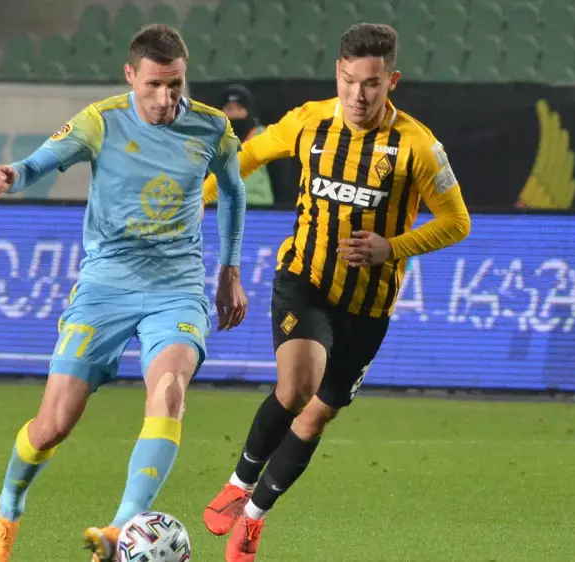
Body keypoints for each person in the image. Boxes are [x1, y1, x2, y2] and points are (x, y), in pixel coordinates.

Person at [0, 24, 249, 562]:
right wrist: (12, 174)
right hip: (105, 287)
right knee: (53, 425)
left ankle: (122, 529)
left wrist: (229, 270)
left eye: (175, 85)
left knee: (169, 392)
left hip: (177, 288)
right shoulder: (100, 121)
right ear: (130, 76)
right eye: (154, 85)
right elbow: (37, 164)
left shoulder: (212, 127)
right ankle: (8, 508)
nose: (165, 99)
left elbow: (234, 192)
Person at [200, 23, 472, 561]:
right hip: (305, 279)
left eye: (371, 83)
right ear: (337, 73)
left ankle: (253, 518)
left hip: (368, 306)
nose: (357, 95)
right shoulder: (309, 121)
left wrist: (392, 248)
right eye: (348, 80)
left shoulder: (418, 146)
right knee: (297, 387)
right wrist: (200, 200)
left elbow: (457, 222)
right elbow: (247, 156)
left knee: (316, 415)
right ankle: (239, 482)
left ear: (391, 81)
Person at [220, 84, 274, 206]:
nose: (234, 114)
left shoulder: (263, 135)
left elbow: (279, 175)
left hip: (259, 206)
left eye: (239, 109)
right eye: (229, 109)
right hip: (217, 207)